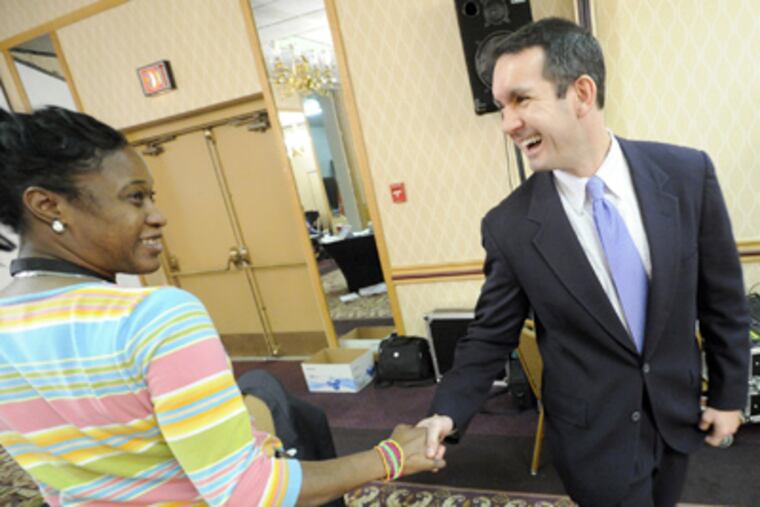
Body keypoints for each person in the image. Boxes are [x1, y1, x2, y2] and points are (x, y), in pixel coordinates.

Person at [0, 106, 444, 506]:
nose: (157, 215)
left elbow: (57, 479)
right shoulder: (155, 317)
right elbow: (247, 493)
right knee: (277, 402)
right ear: (47, 205)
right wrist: (389, 457)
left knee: (263, 388)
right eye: (135, 197)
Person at [416, 17, 749, 507]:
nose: (507, 124)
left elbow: (722, 298)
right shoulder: (508, 226)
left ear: (582, 93)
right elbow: (490, 335)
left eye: (521, 100)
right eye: (501, 107)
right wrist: (446, 411)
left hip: (677, 419)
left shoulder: (686, 174)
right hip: (593, 443)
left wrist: (728, 393)